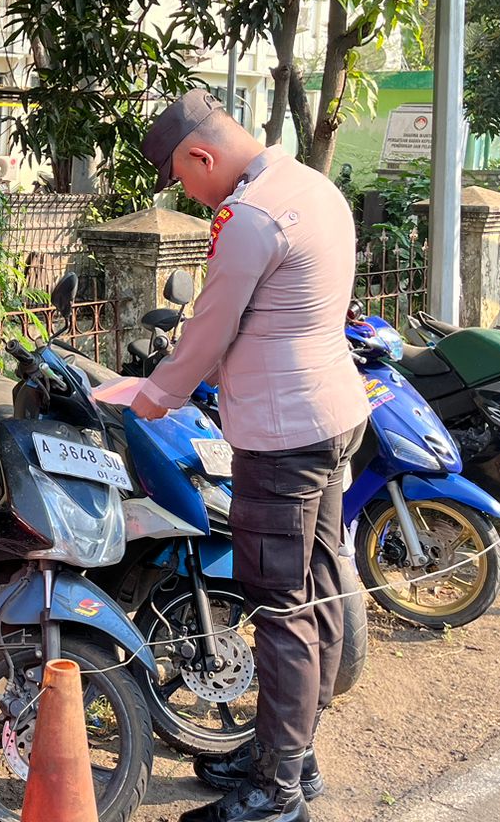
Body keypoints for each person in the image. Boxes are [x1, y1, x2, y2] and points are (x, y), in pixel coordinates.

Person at [132, 89, 368, 822]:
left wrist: (153, 395)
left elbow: (210, 328)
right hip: (335, 414)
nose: (189, 195)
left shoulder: (251, 217)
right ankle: (290, 752)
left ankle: (276, 794)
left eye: (182, 178)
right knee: (319, 584)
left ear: (202, 155)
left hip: (282, 436)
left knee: (280, 605)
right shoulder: (312, 187)